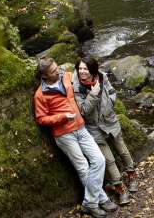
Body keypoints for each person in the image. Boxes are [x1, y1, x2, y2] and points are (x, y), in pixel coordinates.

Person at [33, 57, 117, 217]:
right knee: (83, 168)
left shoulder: (66, 76)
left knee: (99, 160)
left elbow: (85, 76)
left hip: (81, 127)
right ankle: (101, 200)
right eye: (53, 71)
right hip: (64, 135)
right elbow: (41, 119)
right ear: (44, 75)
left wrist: (99, 83)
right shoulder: (40, 94)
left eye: (57, 67)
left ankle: (89, 203)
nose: (57, 71)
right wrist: (62, 116)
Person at [73, 55, 138, 205]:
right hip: (93, 127)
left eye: (85, 68)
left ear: (93, 69)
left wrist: (110, 105)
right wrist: (93, 94)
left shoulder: (101, 76)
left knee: (122, 150)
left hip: (110, 120)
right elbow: (83, 110)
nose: (82, 72)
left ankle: (132, 176)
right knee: (109, 160)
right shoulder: (76, 87)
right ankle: (120, 188)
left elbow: (112, 92)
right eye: (80, 68)